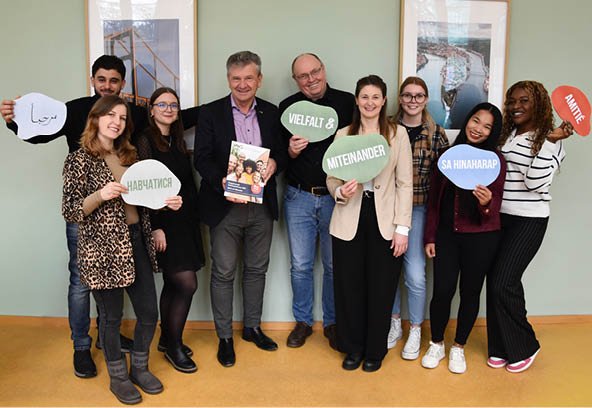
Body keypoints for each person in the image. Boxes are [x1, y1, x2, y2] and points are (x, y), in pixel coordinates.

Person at [0, 55, 199, 378]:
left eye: (114, 81)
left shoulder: (132, 139)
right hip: (90, 226)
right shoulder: (75, 118)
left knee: (128, 302)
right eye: (102, 79)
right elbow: (39, 134)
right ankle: (82, 346)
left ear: (123, 85)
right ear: (93, 82)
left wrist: (165, 204)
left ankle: (117, 344)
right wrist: (14, 119)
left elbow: (170, 120)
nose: (116, 120)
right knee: (83, 284)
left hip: (129, 228)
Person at [62, 95, 182, 404]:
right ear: (96, 119)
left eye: (122, 117)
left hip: (135, 240)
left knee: (148, 312)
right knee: (111, 316)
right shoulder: (78, 159)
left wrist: (167, 204)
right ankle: (118, 376)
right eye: (110, 115)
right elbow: (70, 210)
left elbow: (144, 201)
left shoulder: (131, 156)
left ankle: (139, 368)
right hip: (102, 247)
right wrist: (100, 195)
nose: (116, 121)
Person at [193, 51, 287, 367]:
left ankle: (252, 328)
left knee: (257, 269)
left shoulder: (271, 112)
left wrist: (276, 162)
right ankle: (224, 337)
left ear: (259, 79)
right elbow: (201, 158)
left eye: (248, 78)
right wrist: (223, 183)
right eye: (236, 78)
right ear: (228, 79)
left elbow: (281, 152)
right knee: (223, 272)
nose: (242, 84)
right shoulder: (211, 113)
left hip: (262, 206)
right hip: (225, 206)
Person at [327, 75, 413, 372]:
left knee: (381, 287)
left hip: (385, 220)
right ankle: (352, 348)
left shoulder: (397, 135)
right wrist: (339, 191)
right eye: (364, 96)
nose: (370, 102)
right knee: (348, 286)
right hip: (349, 216)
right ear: (356, 100)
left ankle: (375, 350)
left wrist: (402, 228)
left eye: (376, 97)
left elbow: (405, 183)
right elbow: (331, 177)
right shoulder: (343, 135)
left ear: (384, 100)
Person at [486, 81, 573, 373]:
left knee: (504, 282)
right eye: (512, 101)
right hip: (500, 217)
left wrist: (550, 141)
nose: (516, 106)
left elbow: (535, 183)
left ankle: (525, 346)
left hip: (529, 219)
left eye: (524, 100)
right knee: (495, 281)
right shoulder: (507, 135)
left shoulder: (551, 140)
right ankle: (500, 346)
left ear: (539, 104)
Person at [421, 102, 506, 374]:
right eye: (475, 120)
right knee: (442, 291)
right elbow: (434, 202)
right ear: (468, 120)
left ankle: (458, 347)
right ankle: (436, 343)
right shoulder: (447, 157)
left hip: (481, 238)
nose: (478, 128)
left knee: (470, 292)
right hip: (446, 236)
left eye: (487, 126)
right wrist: (430, 236)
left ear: (493, 132)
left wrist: (486, 202)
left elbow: (496, 205)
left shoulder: (495, 161)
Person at [279, 53, 355, 349]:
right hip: (298, 196)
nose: (311, 79)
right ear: (295, 80)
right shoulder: (287, 108)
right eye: (303, 76)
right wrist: (290, 151)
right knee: (300, 265)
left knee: (335, 265)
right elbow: (275, 157)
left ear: (323, 70)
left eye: (315, 72)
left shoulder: (347, 103)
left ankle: (333, 323)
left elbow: (359, 147)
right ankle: (303, 322)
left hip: (337, 199)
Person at [136, 87, 205, 373]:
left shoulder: (176, 140)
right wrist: (156, 228)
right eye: (162, 104)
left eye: (173, 105)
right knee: (187, 284)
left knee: (173, 283)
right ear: (151, 110)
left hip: (185, 221)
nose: (168, 109)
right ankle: (175, 347)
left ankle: (167, 339)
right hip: (164, 224)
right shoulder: (144, 141)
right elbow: (144, 188)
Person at [387, 77, 449, 359]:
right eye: (408, 95)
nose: (413, 101)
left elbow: (443, 181)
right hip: (387, 210)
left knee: (414, 274)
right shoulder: (386, 128)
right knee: (389, 271)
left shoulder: (436, 133)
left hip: (419, 208)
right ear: (400, 98)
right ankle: (394, 323)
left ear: (425, 99)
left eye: (419, 96)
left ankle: (415, 329)